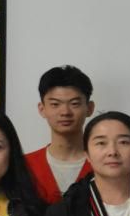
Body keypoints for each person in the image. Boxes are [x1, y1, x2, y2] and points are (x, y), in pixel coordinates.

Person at [25, 65, 95, 204]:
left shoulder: (105, 163)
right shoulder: (24, 165)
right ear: (42, 109)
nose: (65, 112)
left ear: (89, 108)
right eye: (55, 104)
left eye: (74, 103)